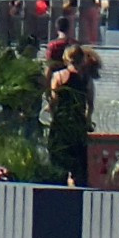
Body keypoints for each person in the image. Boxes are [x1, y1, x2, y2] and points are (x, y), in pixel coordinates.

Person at [45, 43, 98, 187]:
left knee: (58, 157)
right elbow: (90, 104)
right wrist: (87, 120)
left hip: (61, 121)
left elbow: (54, 100)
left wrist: (49, 109)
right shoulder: (86, 79)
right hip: (77, 121)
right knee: (78, 160)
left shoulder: (58, 76)